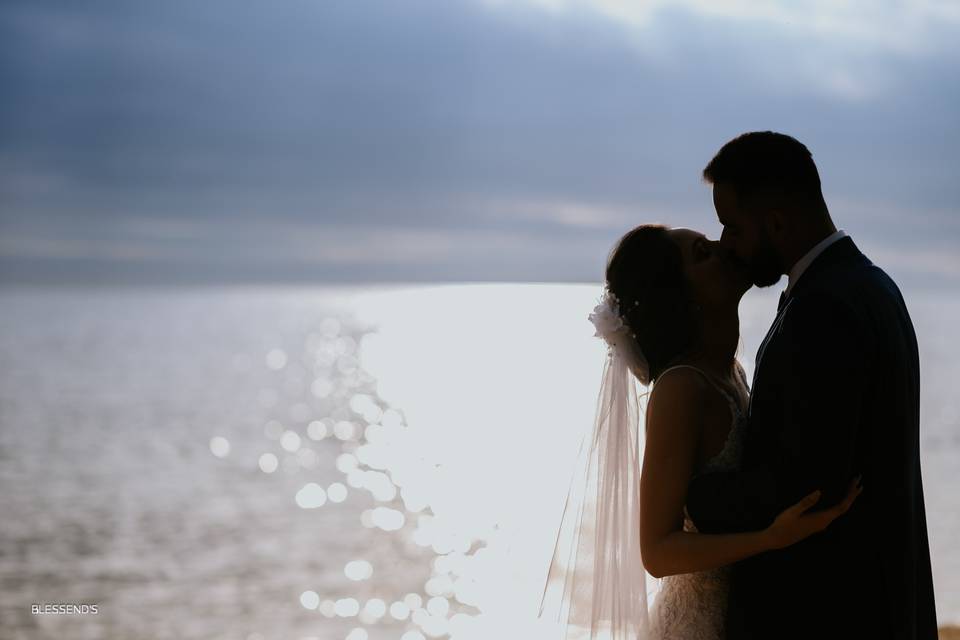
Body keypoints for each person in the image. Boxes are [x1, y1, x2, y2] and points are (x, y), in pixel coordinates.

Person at [539, 223, 861, 640]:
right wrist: (769, 538)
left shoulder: (731, 372)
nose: (722, 246)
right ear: (680, 297)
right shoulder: (681, 388)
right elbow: (657, 552)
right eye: (702, 253)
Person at [686, 131, 938, 639]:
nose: (726, 244)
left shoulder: (823, 308)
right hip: (880, 603)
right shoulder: (874, 287)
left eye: (732, 228)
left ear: (775, 221)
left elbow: (804, 486)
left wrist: (693, 498)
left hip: (828, 611)